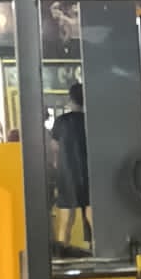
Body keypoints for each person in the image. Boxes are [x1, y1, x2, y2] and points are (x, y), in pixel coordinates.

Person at [49, 82, 91, 251]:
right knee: (92, 218)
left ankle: (62, 254)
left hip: (66, 175)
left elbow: (54, 147)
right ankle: (100, 253)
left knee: (66, 220)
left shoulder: (61, 122)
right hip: (88, 174)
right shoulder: (89, 120)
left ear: (70, 99)